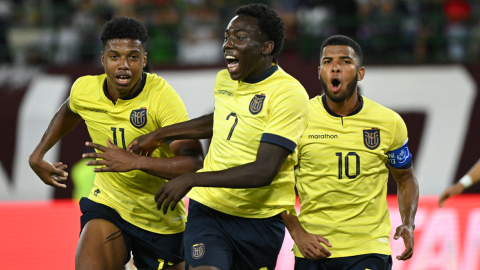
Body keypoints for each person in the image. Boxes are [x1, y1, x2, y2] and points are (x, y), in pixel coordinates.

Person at [127, 4, 310, 270]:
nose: (228, 44)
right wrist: (161, 134)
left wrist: (192, 178)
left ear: (267, 47)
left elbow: (264, 171)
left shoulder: (288, 94)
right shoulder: (224, 79)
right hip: (209, 210)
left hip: (259, 219)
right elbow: (221, 119)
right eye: (227, 37)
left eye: (240, 38)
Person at [28, 17, 204, 270]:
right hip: (109, 204)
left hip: (159, 215)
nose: (124, 65)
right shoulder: (85, 89)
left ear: (144, 60)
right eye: (114, 56)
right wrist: (38, 154)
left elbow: (193, 164)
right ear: (103, 59)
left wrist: (134, 161)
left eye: (133, 57)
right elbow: (70, 109)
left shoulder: (162, 98)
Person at [281, 35, 419, 270]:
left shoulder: (388, 122)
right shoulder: (299, 118)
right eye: (327, 61)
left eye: (345, 61)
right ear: (319, 71)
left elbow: (405, 178)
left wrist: (408, 223)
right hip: (313, 248)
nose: (335, 66)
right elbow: (277, 183)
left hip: (368, 248)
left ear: (360, 73)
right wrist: (297, 232)